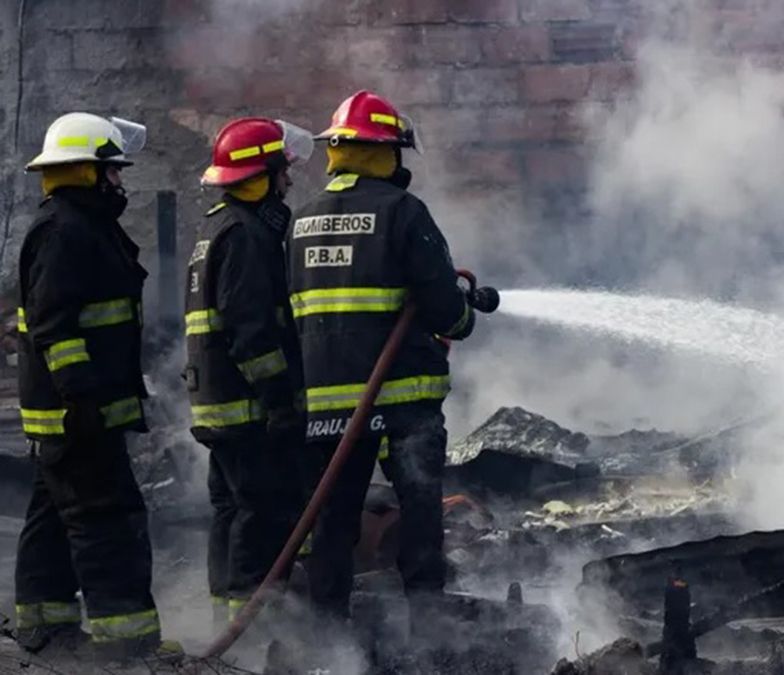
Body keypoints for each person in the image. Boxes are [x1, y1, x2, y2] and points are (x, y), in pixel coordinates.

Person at [288, 90, 497, 633]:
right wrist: (462, 321)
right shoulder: (403, 213)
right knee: (421, 518)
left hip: (327, 406)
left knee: (332, 524)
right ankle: (429, 637)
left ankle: (326, 645)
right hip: (404, 402)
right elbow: (444, 307)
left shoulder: (300, 221)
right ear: (384, 152)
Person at [14, 112, 177, 659]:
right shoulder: (65, 230)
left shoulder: (82, 224)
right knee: (109, 518)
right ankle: (126, 645)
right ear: (86, 172)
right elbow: (53, 328)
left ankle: (43, 623)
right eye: (112, 172)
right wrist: (81, 397)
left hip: (78, 408)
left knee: (55, 514)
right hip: (78, 412)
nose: (119, 183)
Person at [184, 117, 311, 629]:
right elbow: (251, 332)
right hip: (247, 408)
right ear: (262, 175)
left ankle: (227, 622)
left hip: (220, 406)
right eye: (283, 172)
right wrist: (279, 398)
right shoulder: (246, 236)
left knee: (232, 513)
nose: (290, 182)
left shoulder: (215, 228)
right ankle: (254, 631)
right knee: (262, 515)